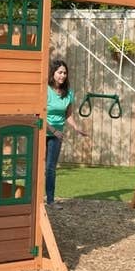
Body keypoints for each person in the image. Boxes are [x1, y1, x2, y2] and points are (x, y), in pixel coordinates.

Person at [46, 59, 88, 208]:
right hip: (43, 131)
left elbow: (68, 115)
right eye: (60, 72)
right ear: (53, 73)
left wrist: (76, 128)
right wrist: (54, 130)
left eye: (65, 73)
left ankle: (50, 200)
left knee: (50, 167)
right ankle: (34, 199)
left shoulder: (68, 93)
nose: (63, 75)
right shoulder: (45, 90)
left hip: (57, 135)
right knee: (37, 167)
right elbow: (40, 114)